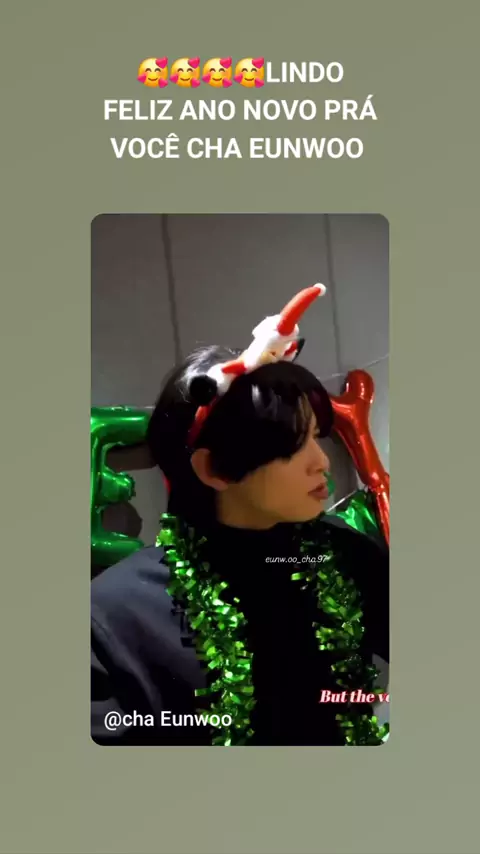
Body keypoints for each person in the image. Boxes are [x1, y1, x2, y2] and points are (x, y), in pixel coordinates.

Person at [91, 285, 389, 746]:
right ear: (215, 469)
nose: (322, 462)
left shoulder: (344, 555)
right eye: (292, 446)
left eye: (317, 436)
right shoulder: (114, 616)